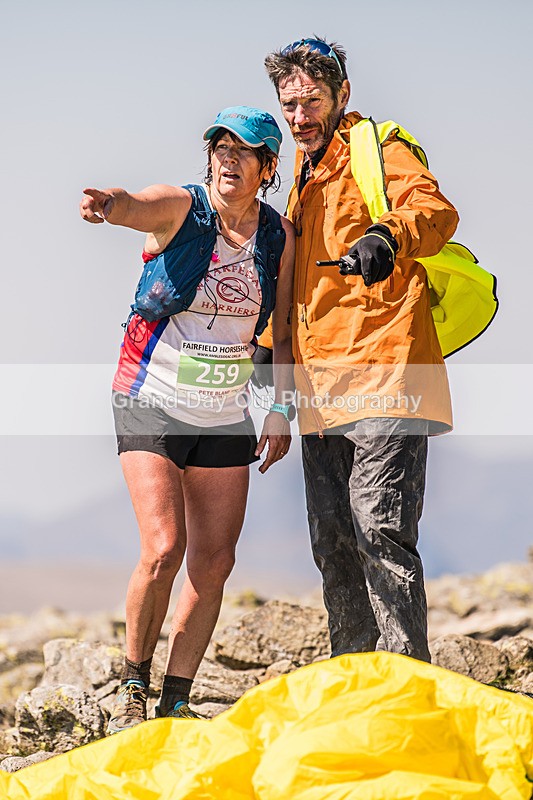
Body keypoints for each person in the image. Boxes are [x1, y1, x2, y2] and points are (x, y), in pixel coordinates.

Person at [79, 106, 295, 733]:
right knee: (164, 547)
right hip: (149, 396)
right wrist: (111, 204)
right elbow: (139, 204)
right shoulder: (183, 207)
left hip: (224, 411)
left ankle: (177, 697)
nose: (229, 158)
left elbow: (280, 333)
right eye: (221, 147)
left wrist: (279, 407)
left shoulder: (278, 237)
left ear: (267, 167)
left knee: (216, 561)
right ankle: (132, 682)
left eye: (244, 151)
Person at [260, 39, 459, 663]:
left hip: (388, 369)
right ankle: (355, 681)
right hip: (321, 390)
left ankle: (404, 683)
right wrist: (270, 356)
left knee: (381, 530)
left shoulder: (378, 149)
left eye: (310, 101)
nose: (298, 117)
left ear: (341, 94)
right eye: (289, 104)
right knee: (334, 543)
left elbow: (433, 209)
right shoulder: (296, 172)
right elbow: (296, 283)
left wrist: (385, 235)